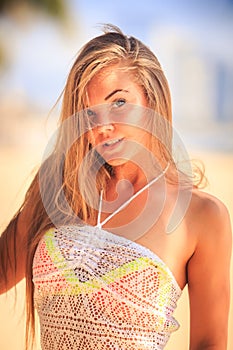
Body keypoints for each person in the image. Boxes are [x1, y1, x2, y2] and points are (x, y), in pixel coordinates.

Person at [0, 24, 232, 350]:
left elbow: (210, 343)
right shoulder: (58, 188)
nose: (103, 126)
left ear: (151, 101)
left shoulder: (203, 216)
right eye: (89, 112)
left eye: (119, 103)